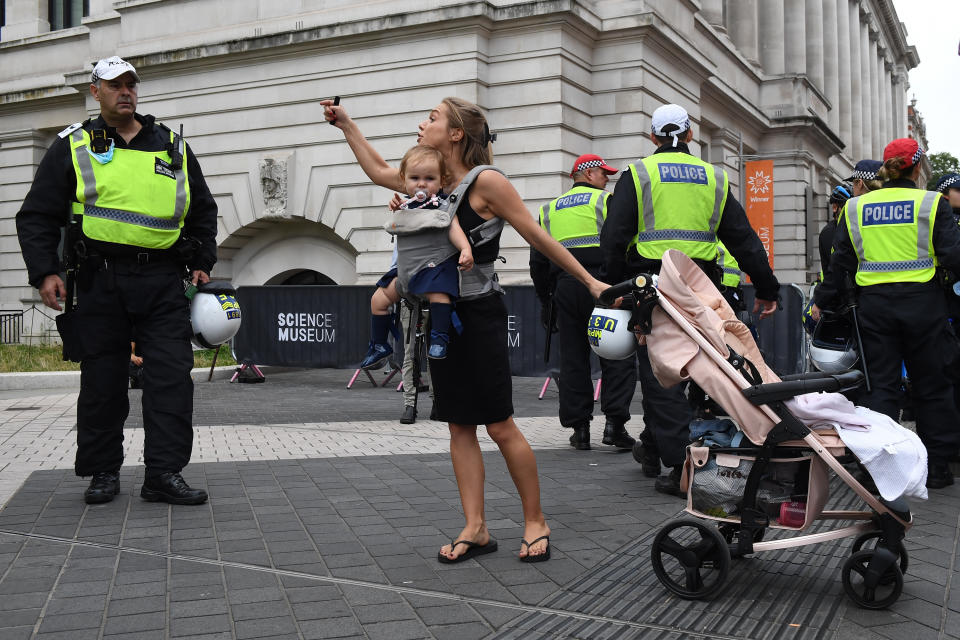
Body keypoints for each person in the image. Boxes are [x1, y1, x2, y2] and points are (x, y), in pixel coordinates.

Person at [323, 96, 608, 562]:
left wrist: (591, 281)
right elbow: (377, 170)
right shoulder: (428, 178)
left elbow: (539, 236)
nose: (422, 123)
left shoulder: (485, 182)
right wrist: (346, 124)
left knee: (499, 424)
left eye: (432, 118)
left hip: (479, 314)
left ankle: (536, 521)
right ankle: (475, 527)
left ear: (456, 133)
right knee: (459, 426)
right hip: (440, 317)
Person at [15, 56, 217, 505]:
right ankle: (103, 472)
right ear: (96, 91)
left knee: (170, 380)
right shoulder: (75, 144)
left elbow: (202, 209)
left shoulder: (172, 145)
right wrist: (45, 271)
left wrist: (203, 257)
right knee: (103, 382)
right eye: (115, 85)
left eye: (131, 84)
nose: (125, 92)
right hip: (98, 279)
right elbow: (36, 215)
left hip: (164, 280)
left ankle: (163, 474)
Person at [600, 103, 780, 496]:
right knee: (705, 367)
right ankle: (658, 446)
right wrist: (767, 288)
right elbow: (743, 238)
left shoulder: (639, 173)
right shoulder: (713, 177)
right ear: (691, 136)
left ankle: (681, 466)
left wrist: (613, 287)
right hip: (700, 286)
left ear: (652, 137)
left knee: (663, 373)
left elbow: (614, 236)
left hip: (650, 286)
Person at [812, 138, 960, 489]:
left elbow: (840, 266)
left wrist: (822, 301)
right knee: (932, 384)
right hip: (924, 304)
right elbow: (954, 257)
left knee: (880, 386)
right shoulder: (931, 203)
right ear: (918, 167)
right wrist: (944, 280)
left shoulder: (855, 208)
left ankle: (878, 464)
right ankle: (937, 466)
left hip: (874, 307)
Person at [530, 154, 637, 451]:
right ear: (588, 174)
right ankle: (615, 426)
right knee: (616, 354)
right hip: (603, 286)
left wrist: (544, 300)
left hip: (564, 287)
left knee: (573, 358)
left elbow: (537, 261)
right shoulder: (606, 201)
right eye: (603, 173)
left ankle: (580, 430)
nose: (607, 179)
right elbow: (621, 242)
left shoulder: (548, 210)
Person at [359, 145, 473, 369]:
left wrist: (465, 249)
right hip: (405, 272)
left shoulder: (442, 206)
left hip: (432, 269)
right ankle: (379, 345)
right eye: (415, 178)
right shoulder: (405, 205)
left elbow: (454, 228)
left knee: (439, 295)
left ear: (442, 181)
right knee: (378, 300)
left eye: (429, 178)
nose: (421, 184)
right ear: (404, 180)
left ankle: (440, 336)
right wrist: (396, 208)